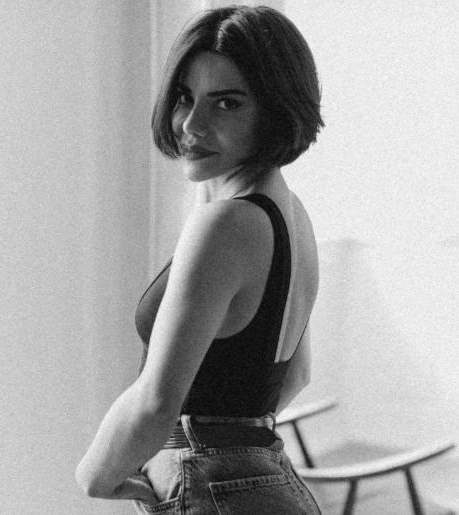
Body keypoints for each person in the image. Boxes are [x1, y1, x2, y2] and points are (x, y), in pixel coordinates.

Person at [76, 5, 323, 513]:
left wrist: (94, 475)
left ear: (275, 110)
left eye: (227, 103)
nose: (192, 123)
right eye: (185, 98)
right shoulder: (289, 213)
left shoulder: (226, 224)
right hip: (269, 479)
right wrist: (232, 445)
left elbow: (156, 401)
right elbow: (295, 373)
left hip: (211, 485)